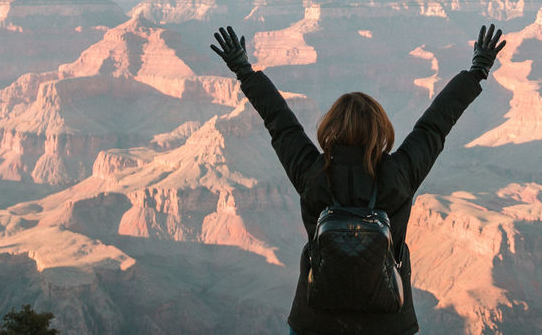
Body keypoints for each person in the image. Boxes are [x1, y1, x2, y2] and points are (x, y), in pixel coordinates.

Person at [210, 23, 508, 335]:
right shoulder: (399, 174)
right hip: (389, 323)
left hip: (316, 321)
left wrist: (243, 70)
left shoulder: (312, 173)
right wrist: (478, 70)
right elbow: (435, 124)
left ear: (329, 127)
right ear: (380, 129)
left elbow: (280, 122)